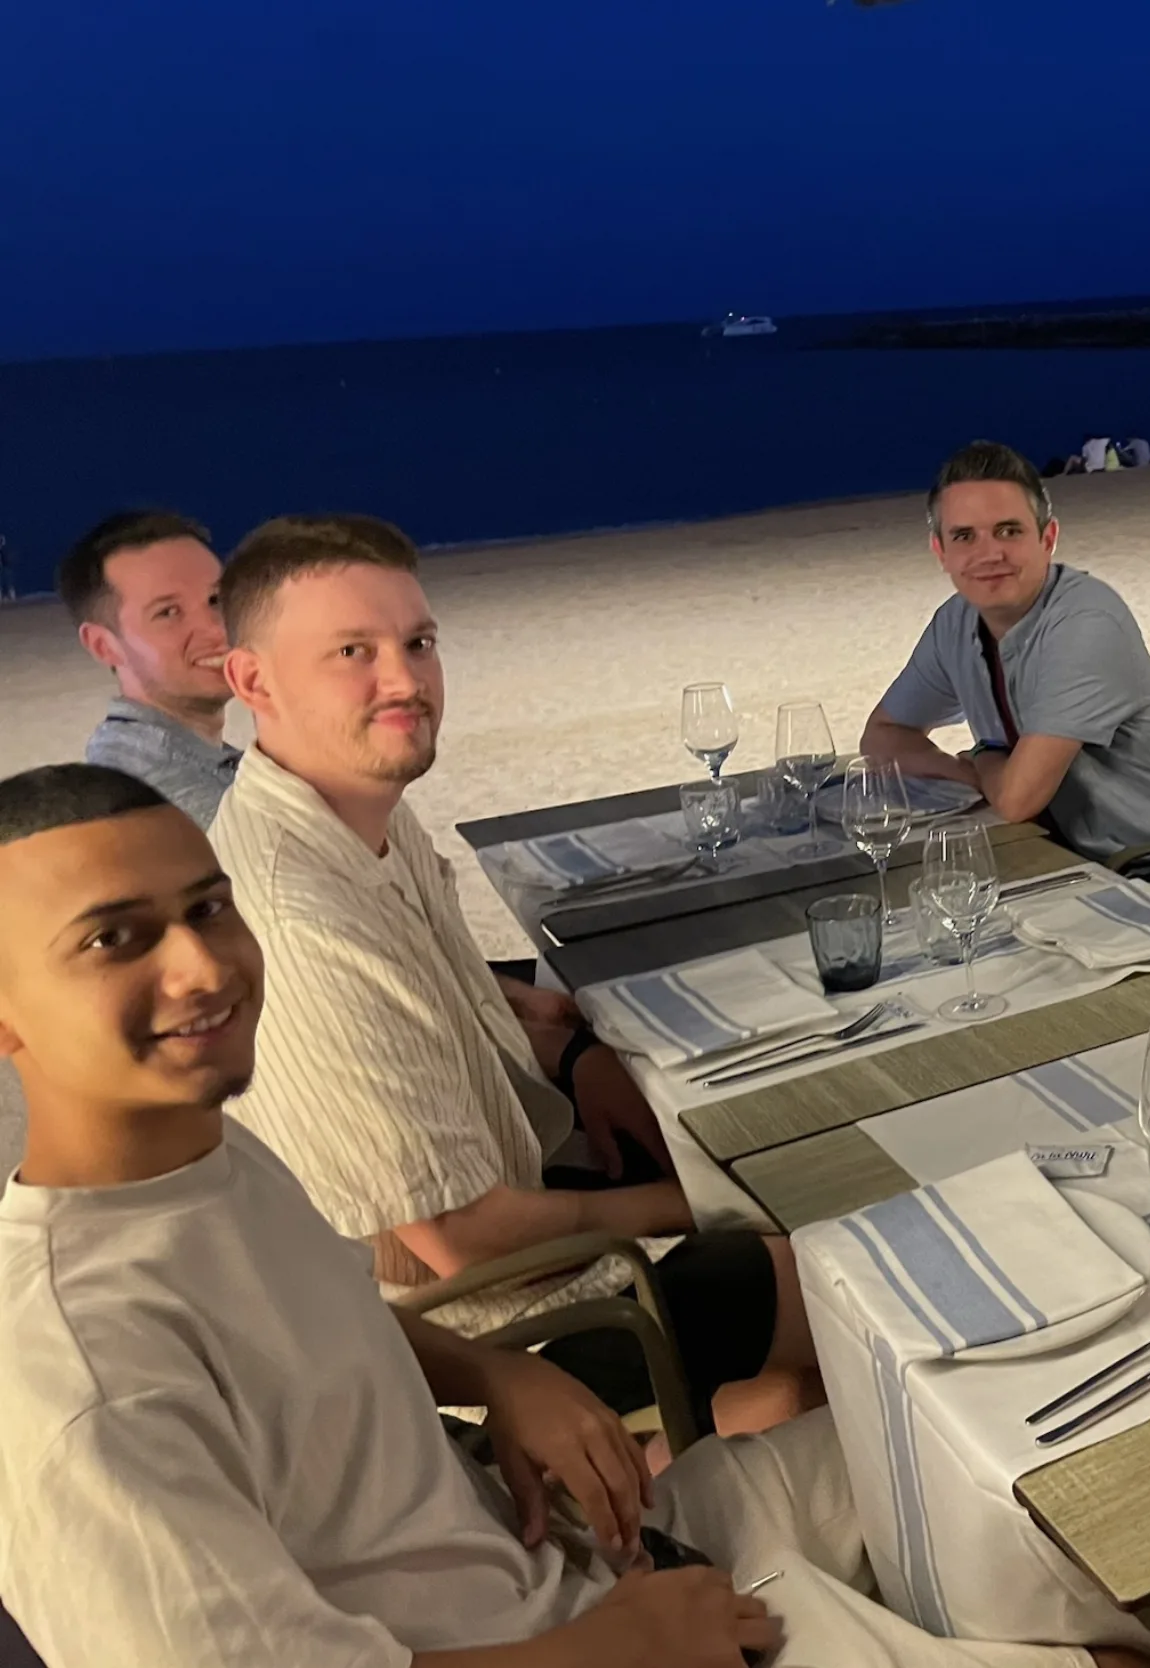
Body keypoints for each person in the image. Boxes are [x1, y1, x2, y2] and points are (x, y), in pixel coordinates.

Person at [0, 761, 1148, 1668]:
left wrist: (491, 1375)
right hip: (555, 1634)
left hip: (575, 1548)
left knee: (1046, 1459)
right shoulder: (74, 1375)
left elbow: (305, 1314)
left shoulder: (195, 1155)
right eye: (115, 939)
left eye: (207, 908)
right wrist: (605, 1650)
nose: (203, 966)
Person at [206, 514, 811, 1439]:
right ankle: (666, 1457)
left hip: (515, 1214)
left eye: (417, 643)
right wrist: (705, 1197)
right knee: (842, 1261)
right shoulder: (300, 921)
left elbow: (454, 1000)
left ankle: (735, 1423)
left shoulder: (356, 815)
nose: (405, 679)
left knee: (763, 1120)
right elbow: (460, 1241)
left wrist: (574, 1058)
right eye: (353, 652)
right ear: (252, 680)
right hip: (487, 1332)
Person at [861, 441, 1150, 860]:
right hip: (1061, 856)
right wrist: (962, 772)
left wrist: (985, 758)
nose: (989, 554)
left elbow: (1016, 800)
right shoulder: (955, 623)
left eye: (1008, 531)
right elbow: (882, 736)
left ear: (1048, 538)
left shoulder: (1086, 622)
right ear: (941, 552)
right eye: (964, 536)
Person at [58, 510, 242, 825]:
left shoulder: (189, 758)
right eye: (168, 612)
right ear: (104, 646)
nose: (218, 629)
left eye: (215, 599)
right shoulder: (164, 800)